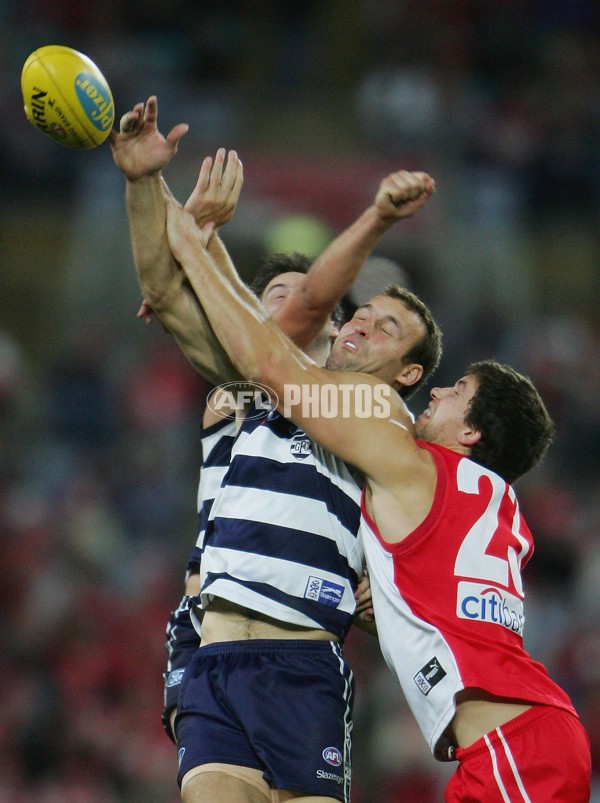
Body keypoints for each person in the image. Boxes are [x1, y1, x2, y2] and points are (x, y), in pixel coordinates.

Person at [164, 196, 592, 803]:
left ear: (471, 434)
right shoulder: (493, 504)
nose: (439, 391)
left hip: (511, 743)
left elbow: (265, 361)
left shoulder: (410, 463)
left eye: (456, 390)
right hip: (517, 736)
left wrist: (191, 245)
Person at [109, 98, 441, 803]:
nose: (290, 312)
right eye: (270, 299)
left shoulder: (374, 415)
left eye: (308, 306)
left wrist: (387, 579)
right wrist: (145, 186)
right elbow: (167, 294)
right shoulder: (237, 391)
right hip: (215, 638)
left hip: (302, 652)